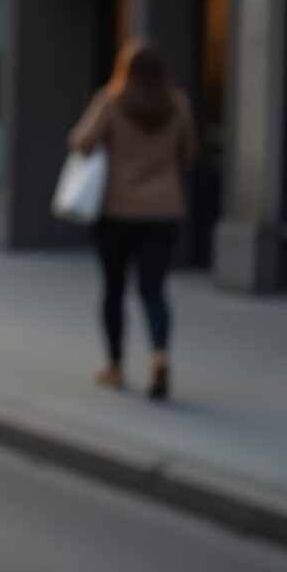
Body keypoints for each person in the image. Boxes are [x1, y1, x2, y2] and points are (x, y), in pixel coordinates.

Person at [68, 39, 195, 400]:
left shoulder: (111, 101)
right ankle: (159, 357)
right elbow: (189, 154)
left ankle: (115, 365)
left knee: (113, 289)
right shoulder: (179, 104)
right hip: (164, 210)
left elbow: (80, 142)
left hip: (117, 212)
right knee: (154, 289)